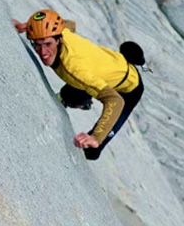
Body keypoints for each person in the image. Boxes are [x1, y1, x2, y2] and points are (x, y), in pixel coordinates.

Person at [13, 9, 144, 160]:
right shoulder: (62, 32)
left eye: (48, 44)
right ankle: (77, 99)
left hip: (129, 89)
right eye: (37, 44)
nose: (43, 52)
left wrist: (96, 137)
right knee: (77, 87)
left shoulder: (74, 68)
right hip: (103, 66)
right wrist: (29, 27)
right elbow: (70, 25)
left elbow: (115, 101)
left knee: (92, 149)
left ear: (58, 39)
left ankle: (80, 100)